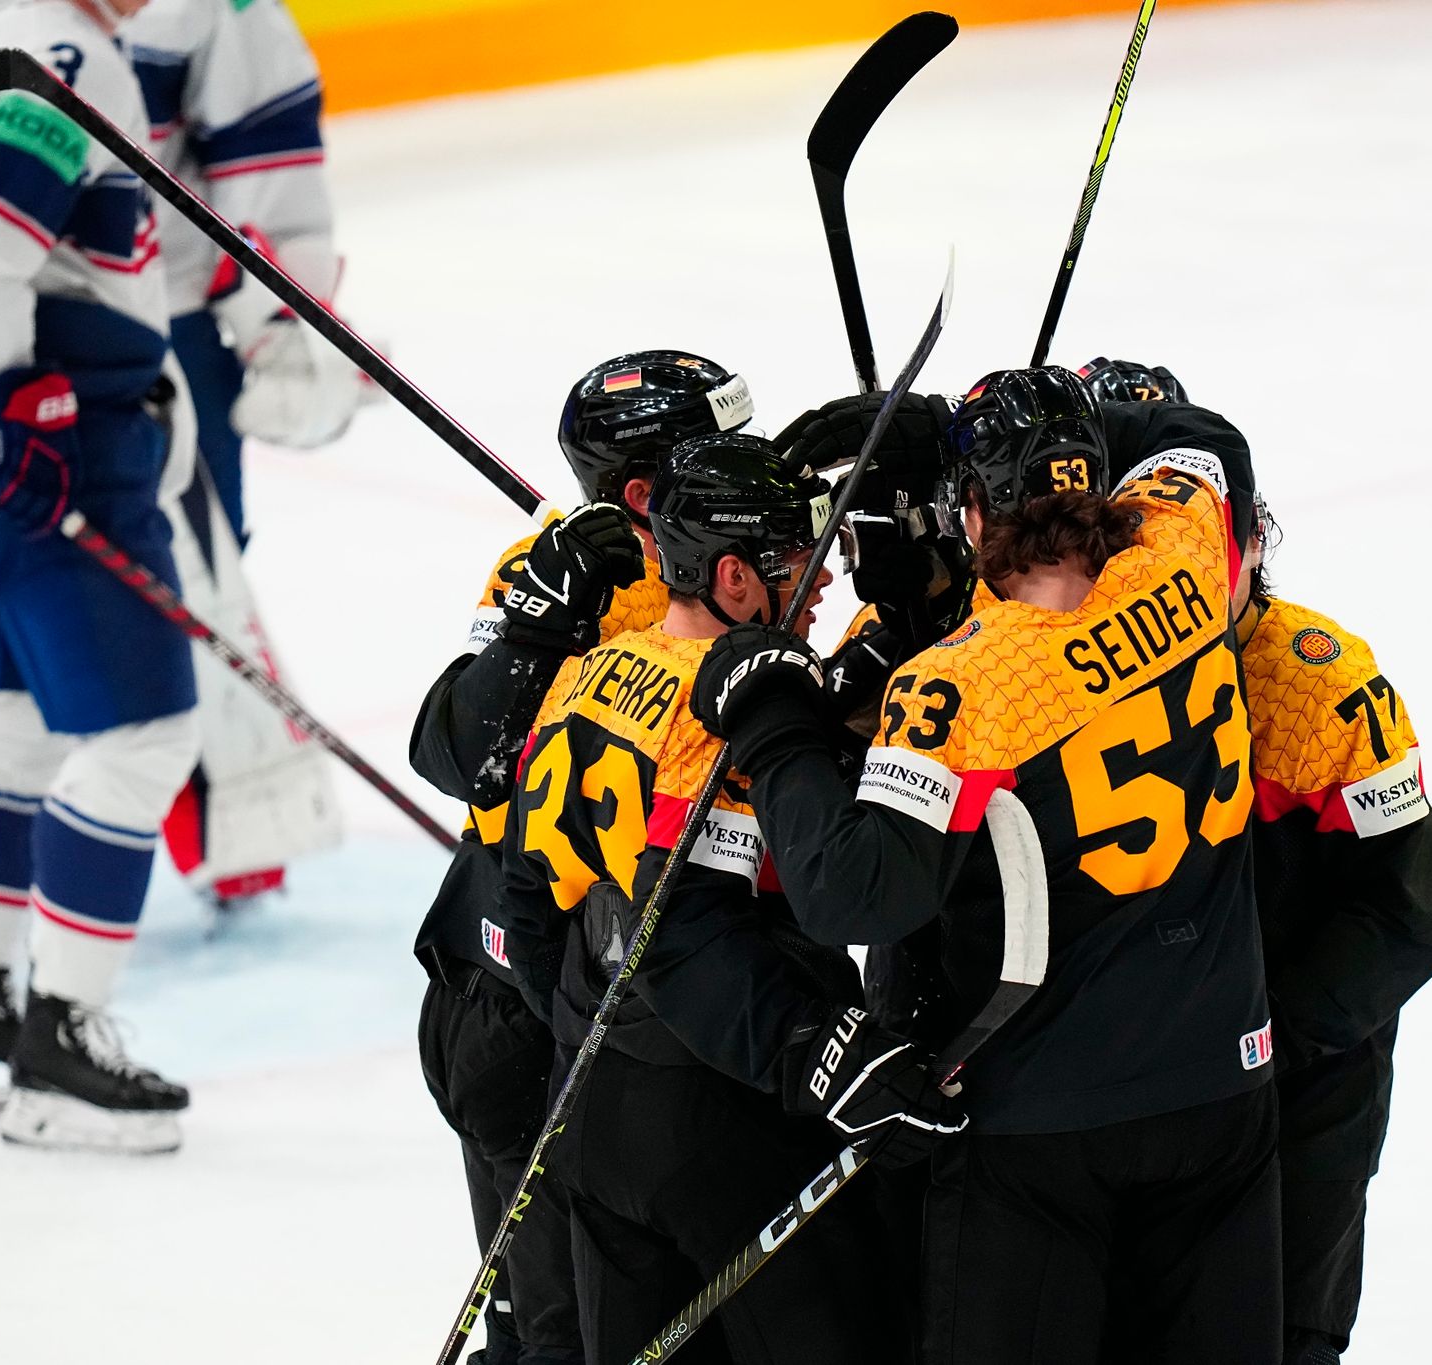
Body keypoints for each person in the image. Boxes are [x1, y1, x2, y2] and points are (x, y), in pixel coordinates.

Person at [691, 366, 1281, 1363]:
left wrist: (774, 722)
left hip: (1042, 1121)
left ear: (968, 514)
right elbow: (1198, 432)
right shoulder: (1180, 561)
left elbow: (856, 891)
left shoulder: (959, 683)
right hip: (1218, 1087)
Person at [0, 0, 348, 909]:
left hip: (132, 345)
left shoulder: (211, 14)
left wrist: (283, 319)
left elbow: (268, 168)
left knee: (180, 593)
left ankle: (202, 832)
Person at [495, 433, 941, 1365]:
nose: (822, 585)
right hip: (719, 1107)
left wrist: (581, 1035)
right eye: (801, 564)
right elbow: (686, 933)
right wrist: (814, 1049)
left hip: (593, 1096)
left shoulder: (589, 672)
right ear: (735, 576)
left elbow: (531, 896)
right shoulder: (723, 712)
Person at [1082, 357, 1432, 1365]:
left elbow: (1408, 916)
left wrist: (1254, 1044)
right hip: (1130, 1114)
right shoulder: (1047, 674)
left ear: (1244, 536)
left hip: (1291, 1109)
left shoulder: (1313, 686)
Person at [406, 352, 751, 1365]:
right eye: (721, 443)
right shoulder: (550, 572)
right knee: (555, 1326)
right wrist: (534, 629)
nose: (750, 453)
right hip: (522, 996)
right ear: (643, 489)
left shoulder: (733, 547)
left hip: (630, 995)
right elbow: (455, 752)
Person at [0, 0, 197, 1153]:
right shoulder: (61, 50)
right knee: (141, 738)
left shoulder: (17, 32)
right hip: (45, 439)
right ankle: (63, 1044)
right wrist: (10, 407)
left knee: (10, 720)